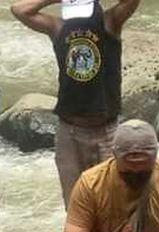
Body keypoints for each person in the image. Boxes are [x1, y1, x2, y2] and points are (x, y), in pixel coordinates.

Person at [10, 0, 142, 206]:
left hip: (106, 131)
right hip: (69, 132)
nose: (80, 21)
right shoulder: (58, 27)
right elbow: (19, 10)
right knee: (75, 206)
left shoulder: (110, 22)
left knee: (114, 205)